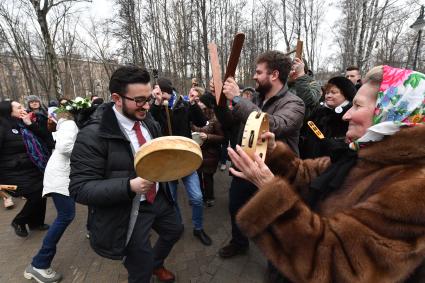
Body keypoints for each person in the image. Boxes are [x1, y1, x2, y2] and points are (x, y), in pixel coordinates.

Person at [228, 65, 425, 282]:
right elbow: (307, 175)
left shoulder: (415, 190)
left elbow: (335, 266)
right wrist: (274, 154)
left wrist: (269, 191)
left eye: (357, 106)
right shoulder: (362, 156)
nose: (346, 114)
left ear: (391, 113)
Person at [69, 66, 183, 283]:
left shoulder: (147, 119)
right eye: (139, 100)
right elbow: (79, 189)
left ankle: (155, 265)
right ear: (116, 98)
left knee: (175, 230)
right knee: (140, 269)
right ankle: (147, 267)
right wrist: (129, 186)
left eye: (149, 98)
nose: (147, 106)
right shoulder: (93, 135)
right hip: (128, 209)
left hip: (158, 198)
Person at [210, 50, 305, 258]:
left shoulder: (294, 103)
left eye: (258, 72)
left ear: (274, 75)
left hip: (273, 175)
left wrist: (236, 97)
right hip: (246, 169)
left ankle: (275, 264)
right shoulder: (254, 98)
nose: (254, 76)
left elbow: (274, 124)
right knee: (237, 208)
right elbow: (229, 122)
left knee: (273, 222)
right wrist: (216, 98)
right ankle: (239, 243)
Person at [150, 77, 212, 246]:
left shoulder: (183, 104)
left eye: (158, 90)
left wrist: (192, 104)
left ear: (166, 90)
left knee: (197, 198)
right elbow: (149, 125)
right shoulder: (155, 107)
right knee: (172, 199)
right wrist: (156, 103)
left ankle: (198, 228)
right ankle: (178, 226)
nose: (155, 93)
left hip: (185, 159)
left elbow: (201, 122)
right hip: (166, 162)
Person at [24, 102, 80, 283]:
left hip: (59, 175)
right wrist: (86, 154)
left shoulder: (64, 126)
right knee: (65, 215)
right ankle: (39, 264)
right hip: (59, 177)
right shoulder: (70, 125)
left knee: (66, 215)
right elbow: (65, 148)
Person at [0, 100, 50, 237]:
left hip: (31, 167)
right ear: (8, 111)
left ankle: (36, 223)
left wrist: (31, 124)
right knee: (36, 192)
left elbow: (45, 137)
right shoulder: (2, 127)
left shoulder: (22, 124)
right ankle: (19, 221)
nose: (23, 109)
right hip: (12, 172)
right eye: (19, 107)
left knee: (43, 190)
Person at [300, 76, 356, 158]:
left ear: (346, 94)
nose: (328, 96)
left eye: (333, 92)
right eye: (327, 92)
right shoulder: (317, 112)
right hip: (310, 163)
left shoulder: (350, 115)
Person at [191, 92, 225, 207]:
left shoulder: (216, 118)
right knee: (198, 176)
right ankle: (200, 196)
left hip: (211, 153)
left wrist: (208, 137)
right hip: (197, 152)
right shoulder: (198, 115)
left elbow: (222, 138)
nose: (198, 103)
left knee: (207, 177)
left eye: (201, 101)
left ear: (207, 104)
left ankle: (209, 198)